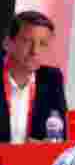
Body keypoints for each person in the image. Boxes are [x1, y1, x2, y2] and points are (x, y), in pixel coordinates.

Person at [0, 11, 67, 143]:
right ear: (7, 43)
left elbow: (61, 134)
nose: (35, 51)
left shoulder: (52, 79)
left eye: (42, 44)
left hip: (33, 161)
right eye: (27, 41)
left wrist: (49, 144)